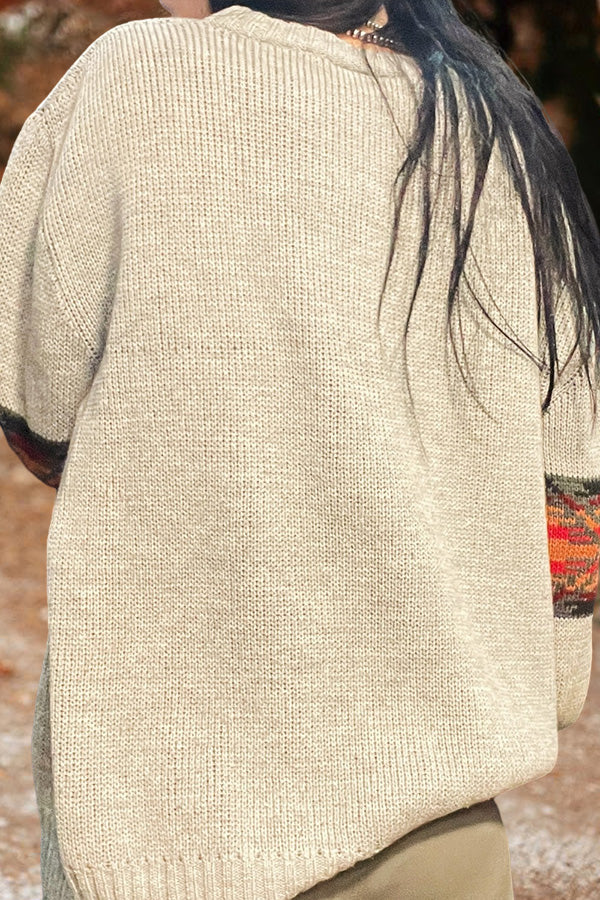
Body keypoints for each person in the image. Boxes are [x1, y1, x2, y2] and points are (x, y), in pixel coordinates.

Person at [1, 1, 599, 898]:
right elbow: (570, 487)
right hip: (443, 829)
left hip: (179, 829)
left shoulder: (136, 76)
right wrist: (544, 679)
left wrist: (163, 445)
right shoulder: (502, 132)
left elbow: (32, 401)